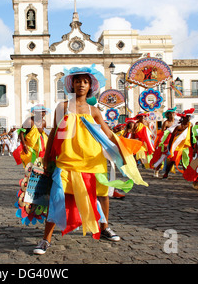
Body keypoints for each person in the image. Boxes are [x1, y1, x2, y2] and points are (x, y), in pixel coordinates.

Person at [33, 65, 147, 255]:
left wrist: (123, 151)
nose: (81, 85)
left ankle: (104, 229)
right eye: (78, 81)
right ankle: (46, 239)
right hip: (67, 160)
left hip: (93, 160)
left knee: (101, 194)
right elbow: (53, 132)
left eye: (85, 82)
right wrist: (46, 157)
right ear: (72, 84)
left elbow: (107, 133)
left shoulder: (94, 110)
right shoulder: (62, 107)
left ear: (91, 85)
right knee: (57, 197)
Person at [162, 108, 195, 179]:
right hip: (177, 145)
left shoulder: (191, 125)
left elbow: (191, 135)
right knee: (172, 160)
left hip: (186, 144)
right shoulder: (179, 126)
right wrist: (170, 147)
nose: (189, 119)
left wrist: (193, 145)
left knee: (185, 159)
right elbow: (172, 137)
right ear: (184, 118)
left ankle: (186, 174)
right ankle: (166, 173)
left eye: (189, 117)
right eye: (187, 117)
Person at [150, 107, 178, 177]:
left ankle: (166, 172)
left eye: (173, 113)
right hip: (166, 141)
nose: (173, 114)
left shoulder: (176, 122)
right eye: (171, 113)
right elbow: (162, 133)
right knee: (162, 156)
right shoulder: (166, 122)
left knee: (172, 156)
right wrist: (159, 143)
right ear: (168, 115)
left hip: (174, 140)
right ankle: (156, 170)